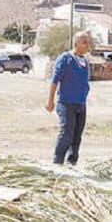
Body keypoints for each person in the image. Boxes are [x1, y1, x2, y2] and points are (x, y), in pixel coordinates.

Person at [46, 31, 92, 166]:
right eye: (84, 42)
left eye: (88, 42)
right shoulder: (66, 58)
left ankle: (72, 163)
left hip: (81, 104)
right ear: (76, 43)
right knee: (66, 133)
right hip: (66, 103)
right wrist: (50, 101)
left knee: (77, 136)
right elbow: (55, 80)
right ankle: (57, 162)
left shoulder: (85, 61)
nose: (87, 45)